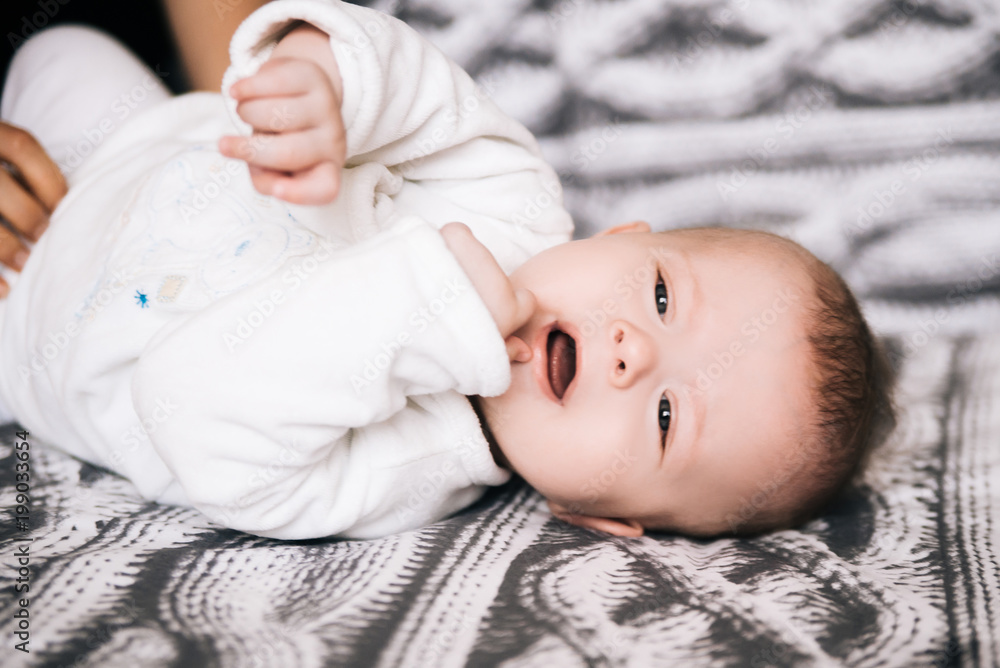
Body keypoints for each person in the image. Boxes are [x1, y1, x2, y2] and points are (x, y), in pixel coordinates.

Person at [0, 0, 893, 540]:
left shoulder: (406, 476)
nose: (629, 351)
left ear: (602, 519)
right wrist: (324, 80)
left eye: (666, 417)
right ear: (621, 234)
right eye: (661, 295)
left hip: (34, 316)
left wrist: (434, 311)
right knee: (59, 52)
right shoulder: (514, 196)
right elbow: (421, 88)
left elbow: (185, 404)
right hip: (135, 146)